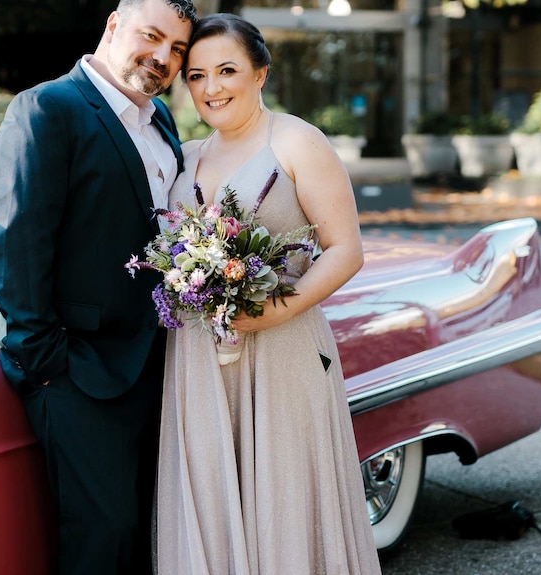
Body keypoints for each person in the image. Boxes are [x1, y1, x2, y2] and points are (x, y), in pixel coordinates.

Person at [154, 13, 383, 575]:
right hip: (200, 361)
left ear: (260, 73)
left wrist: (273, 309)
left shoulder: (298, 141)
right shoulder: (186, 156)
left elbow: (345, 250)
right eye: (198, 75)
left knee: (284, 495)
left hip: (283, 351)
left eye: (228, 70)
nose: (212, 88)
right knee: (210, 488)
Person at [0, 1, 197, 574]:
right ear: (112, 26)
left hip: (156, 366)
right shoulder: (47, 109)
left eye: (177, 49)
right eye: (151, 37)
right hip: (76, 373)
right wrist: (46, 362)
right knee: (100, 537)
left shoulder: (162, 122)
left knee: (144, 534)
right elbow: (15, 243)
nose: (162, 57)